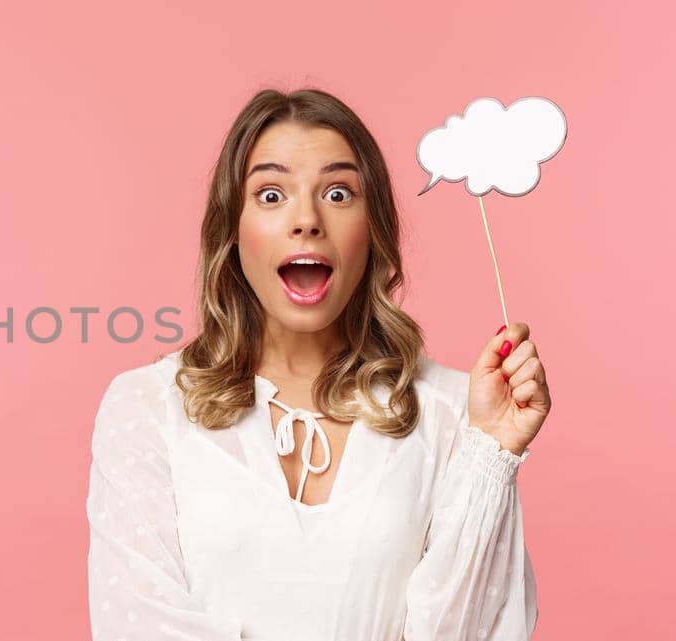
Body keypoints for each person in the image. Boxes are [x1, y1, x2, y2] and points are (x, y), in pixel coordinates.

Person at [85, 88, 550, 641]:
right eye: (271, 194)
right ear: (231, 231)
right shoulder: (146, 407)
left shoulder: (457, 414)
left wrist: (491, 451)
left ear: (373, 228)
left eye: (337, 192)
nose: (306, 219)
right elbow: (140, 626)